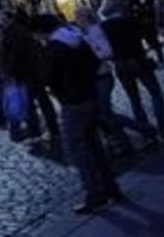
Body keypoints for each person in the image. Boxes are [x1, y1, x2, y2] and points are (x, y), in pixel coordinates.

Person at [33, 14, 122, 214]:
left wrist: (62, 88)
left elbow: (48, 78)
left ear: (41, 31)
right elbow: (94, 62)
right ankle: (111, 188)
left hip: (73, 102)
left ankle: (95, 195)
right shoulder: (77, 38)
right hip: (90, 94)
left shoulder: (54, 48)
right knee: (95, 145)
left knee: (79, 150)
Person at [75, 7, 140, 155]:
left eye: (78, 17)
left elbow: (107, 51)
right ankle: (122, 139)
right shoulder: (85, 32)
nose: (77, 20)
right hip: (96, 76)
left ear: (85, 18)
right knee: (104, 112)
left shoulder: (95, 31)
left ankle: (138, 131)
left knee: (105, 113)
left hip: (102, 75)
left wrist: (89, 57)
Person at [101, 0, 164, 140]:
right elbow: (144, 35)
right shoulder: (130, 21)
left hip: (121, 64)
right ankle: (163, 128)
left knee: (134, 99)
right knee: (155, 94)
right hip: (138, 60)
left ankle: (146, 131)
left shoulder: (104, 27)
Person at [4, 9, 60, 142]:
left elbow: (15, 56)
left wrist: (11, 72)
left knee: (29, 104)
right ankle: (53, 128)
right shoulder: (24, 31)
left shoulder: (14, 33)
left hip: (25, 73)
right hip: (34, 71)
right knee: (43, 101)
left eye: (4, 19)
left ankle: (36, 132)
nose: (1, 22)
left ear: (11, 19)